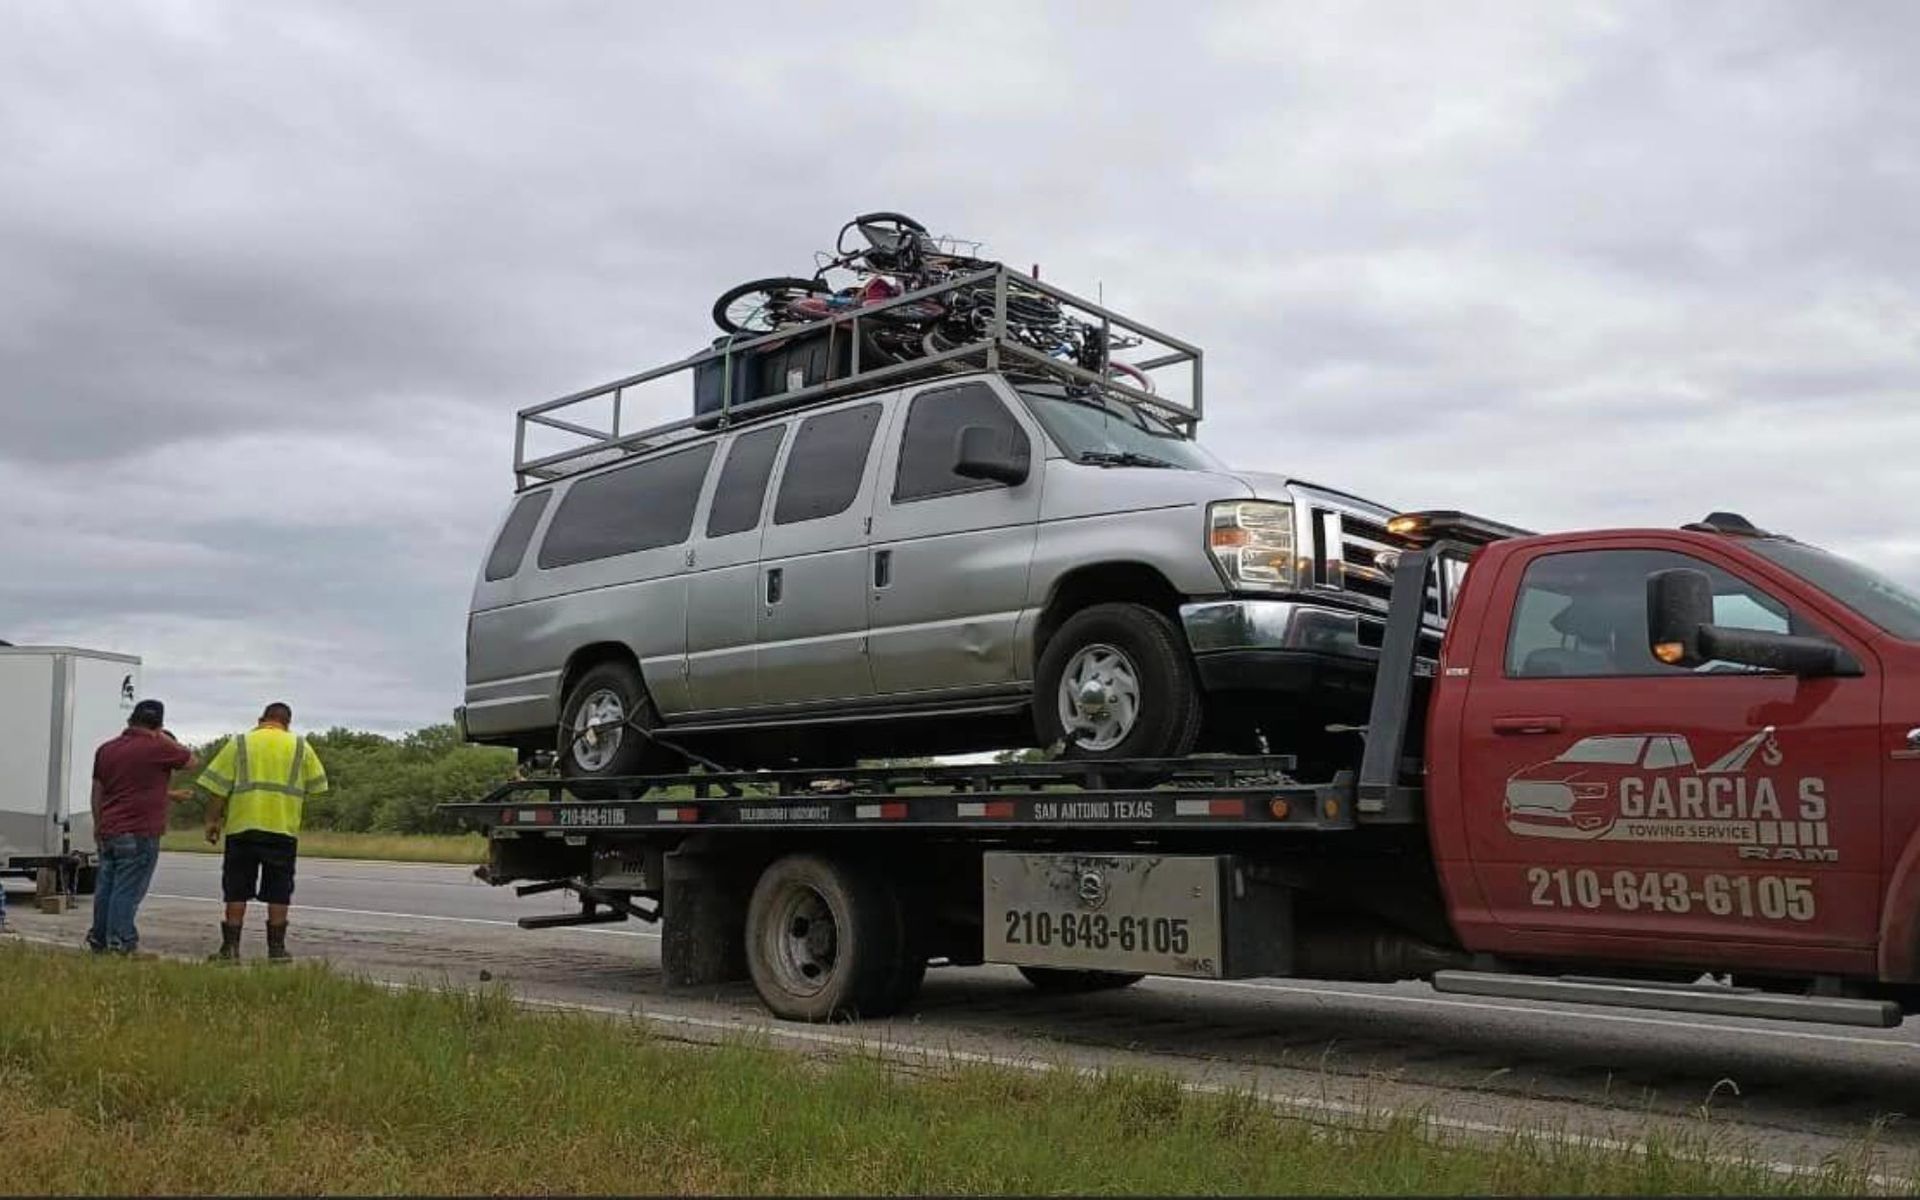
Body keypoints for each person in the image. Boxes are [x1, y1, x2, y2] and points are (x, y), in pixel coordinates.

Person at [196, 702, 328, 962]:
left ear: (261, 719)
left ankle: (230, 950)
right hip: (282, 828)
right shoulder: (301, 746)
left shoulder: (240, 742)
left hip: (242, 827)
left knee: (236, 887)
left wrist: (212, 821)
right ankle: (277, 950)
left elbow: (218, 788)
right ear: (288, 722)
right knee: (279, 888)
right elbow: (317, 785)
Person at [88, 698, 199, 954]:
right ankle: (121, 942)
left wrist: (98, 823)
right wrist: (163, 738)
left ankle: (99, 939)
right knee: (128, 890)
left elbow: (98, 790)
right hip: (140, 831)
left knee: (106, 888)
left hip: (109, 828)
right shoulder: (158, 748)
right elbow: (192, 761)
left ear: (130, 720)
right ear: (159, 725)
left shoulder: (107, 749)